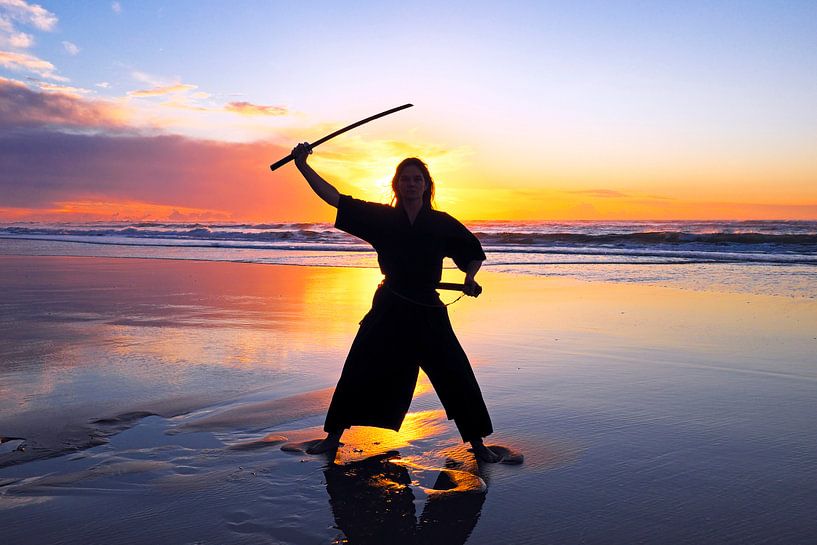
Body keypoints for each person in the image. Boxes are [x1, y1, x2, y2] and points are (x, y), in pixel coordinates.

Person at [291, 142, 501, 463]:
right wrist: (302, 165)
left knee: (455, 372)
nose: (412, 183)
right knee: (358, 367)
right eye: (406, 179)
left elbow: (472, 252)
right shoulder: (381, 219)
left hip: (428, 308)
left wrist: (470, 278)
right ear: (396, 184)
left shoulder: (441, 222)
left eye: (418, 179)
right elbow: (334, 198)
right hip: (390, 304)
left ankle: (478, 445)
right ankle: (333, 438)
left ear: (427, 185)